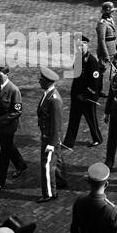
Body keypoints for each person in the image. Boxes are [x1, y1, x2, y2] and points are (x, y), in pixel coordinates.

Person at [0, 66, 27, 192]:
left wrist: (0, 121)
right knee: (8, 146)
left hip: (8, 127)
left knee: (4, 152)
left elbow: (17, 111)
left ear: (7, 74)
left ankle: (0, 181)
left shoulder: (14, 90)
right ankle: (21, 165)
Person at [63, 35, 102, 149]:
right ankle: (68, 142)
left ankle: (97, 139)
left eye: (82, 45)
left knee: (91, 119)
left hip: (87, 97)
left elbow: (95, 83)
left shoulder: (92, 61)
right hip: (76, 95)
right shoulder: (77, 58)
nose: (79, 48)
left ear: (86, 45)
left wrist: (86, 95)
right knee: (73, 119)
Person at [37, 67, 66, 203]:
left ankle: (49, 192)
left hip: (50, 138)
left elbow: (56, 125)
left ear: (47, 82)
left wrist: (51, 144)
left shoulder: (54, 100)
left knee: (46, 164)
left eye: (41, 80)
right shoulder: (48, 93)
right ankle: (60, 181)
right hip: (48, 135)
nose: (39, 81)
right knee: (57, 160)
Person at [95, 1, 117, 97]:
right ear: (106, 12)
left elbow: (113, 37)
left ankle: (116, 89)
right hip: (105, 50)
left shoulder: (110, 20)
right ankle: (97, 90)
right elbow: (101, 40)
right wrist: (105, 55)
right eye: (111, 11)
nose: (113, 13)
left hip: (113, 49)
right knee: (101, 70)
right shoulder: (102, 23)